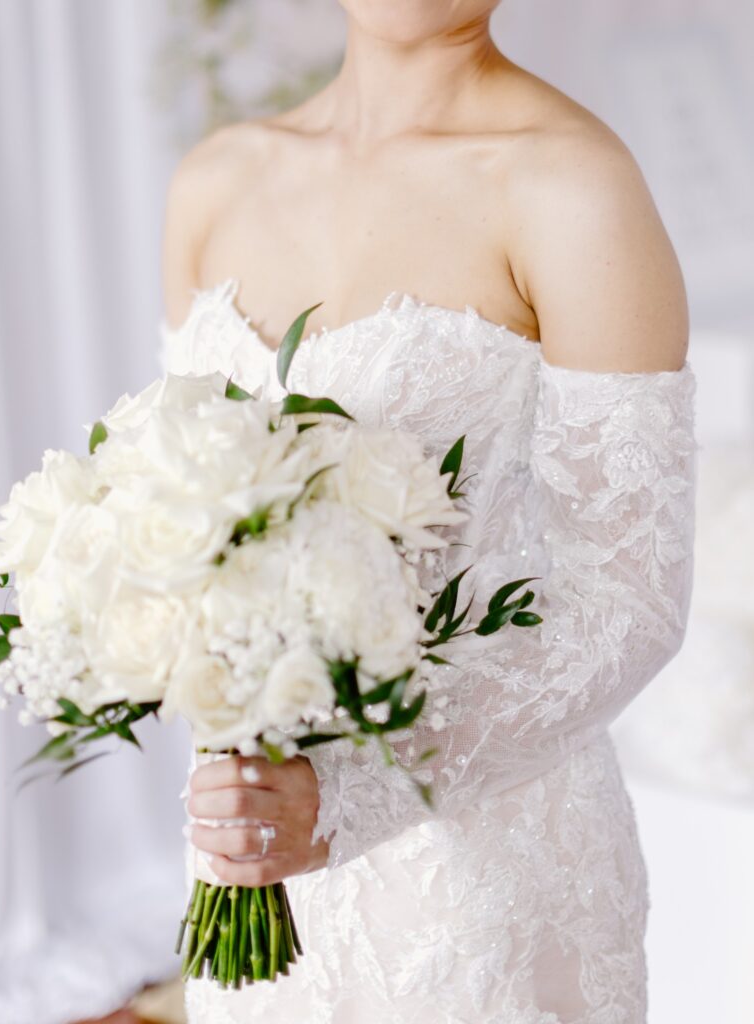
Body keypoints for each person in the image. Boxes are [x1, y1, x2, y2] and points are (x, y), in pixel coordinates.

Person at [158, 1, 696, 1021]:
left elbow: (625, 602)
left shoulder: (570, 185)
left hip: (479, 877)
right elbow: (182, 509)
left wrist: (351, 793)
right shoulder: (214, 179)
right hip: (255, 852)